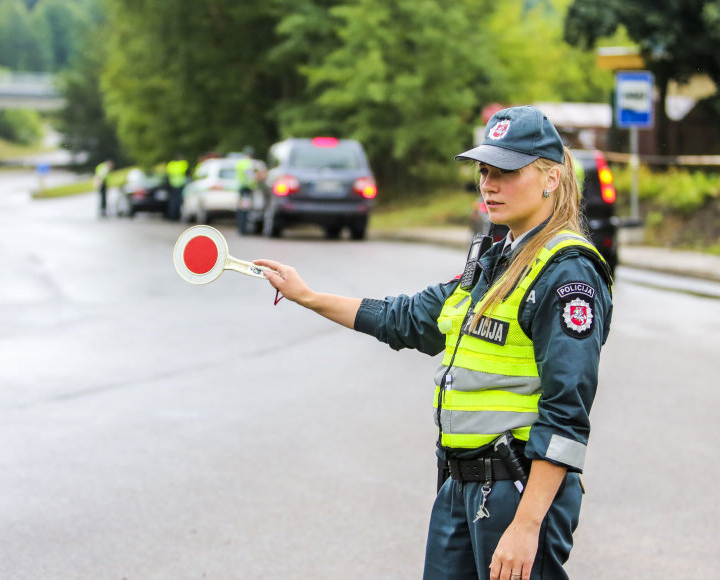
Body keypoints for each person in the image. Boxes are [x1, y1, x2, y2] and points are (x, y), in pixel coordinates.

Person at [254, 105, 613, 580]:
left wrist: (528, 524)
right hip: (461, 485)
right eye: (485, 170)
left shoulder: (566, 272)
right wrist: (308, 297)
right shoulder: (495, 260)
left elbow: (567, 415)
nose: (489, 183)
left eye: (506, 171)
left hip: (517, 491)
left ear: (550, 178)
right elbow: (408, 320)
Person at [165, 155, 189, 221]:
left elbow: (168, 174)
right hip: (180, 184)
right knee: (178, 201)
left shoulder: (171, 164)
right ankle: (177, 216)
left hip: (172, 184)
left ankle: (171, 216)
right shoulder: (183, 163)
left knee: (172, 201)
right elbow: (187, 173)